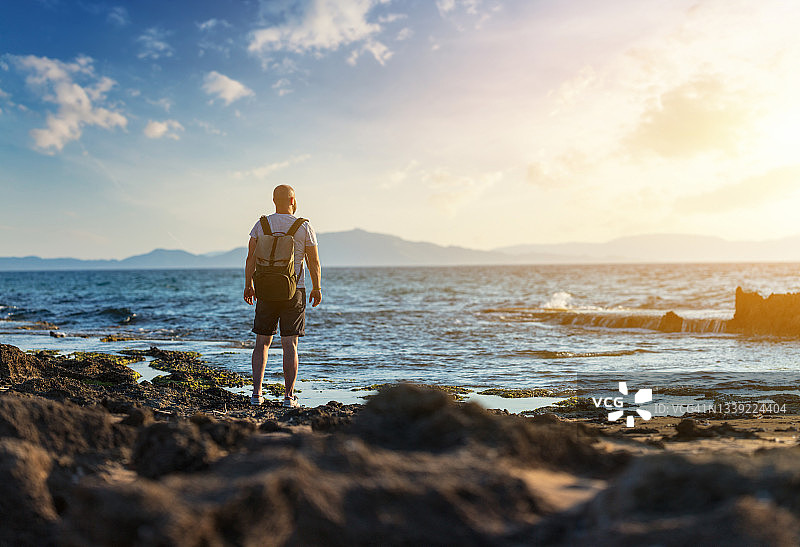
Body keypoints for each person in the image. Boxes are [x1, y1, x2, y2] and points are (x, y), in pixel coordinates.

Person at [243, 185, 322, 408]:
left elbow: (250, 258)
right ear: (292, 200)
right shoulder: (303, 226)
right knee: (290, 344)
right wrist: (317, 287)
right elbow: (313, 261)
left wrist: (248, 285)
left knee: (262, 342)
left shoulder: (261, 224)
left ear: (273, 200)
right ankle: (289, 397)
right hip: (294, 290)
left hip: (265, 290)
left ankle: (256, 394)